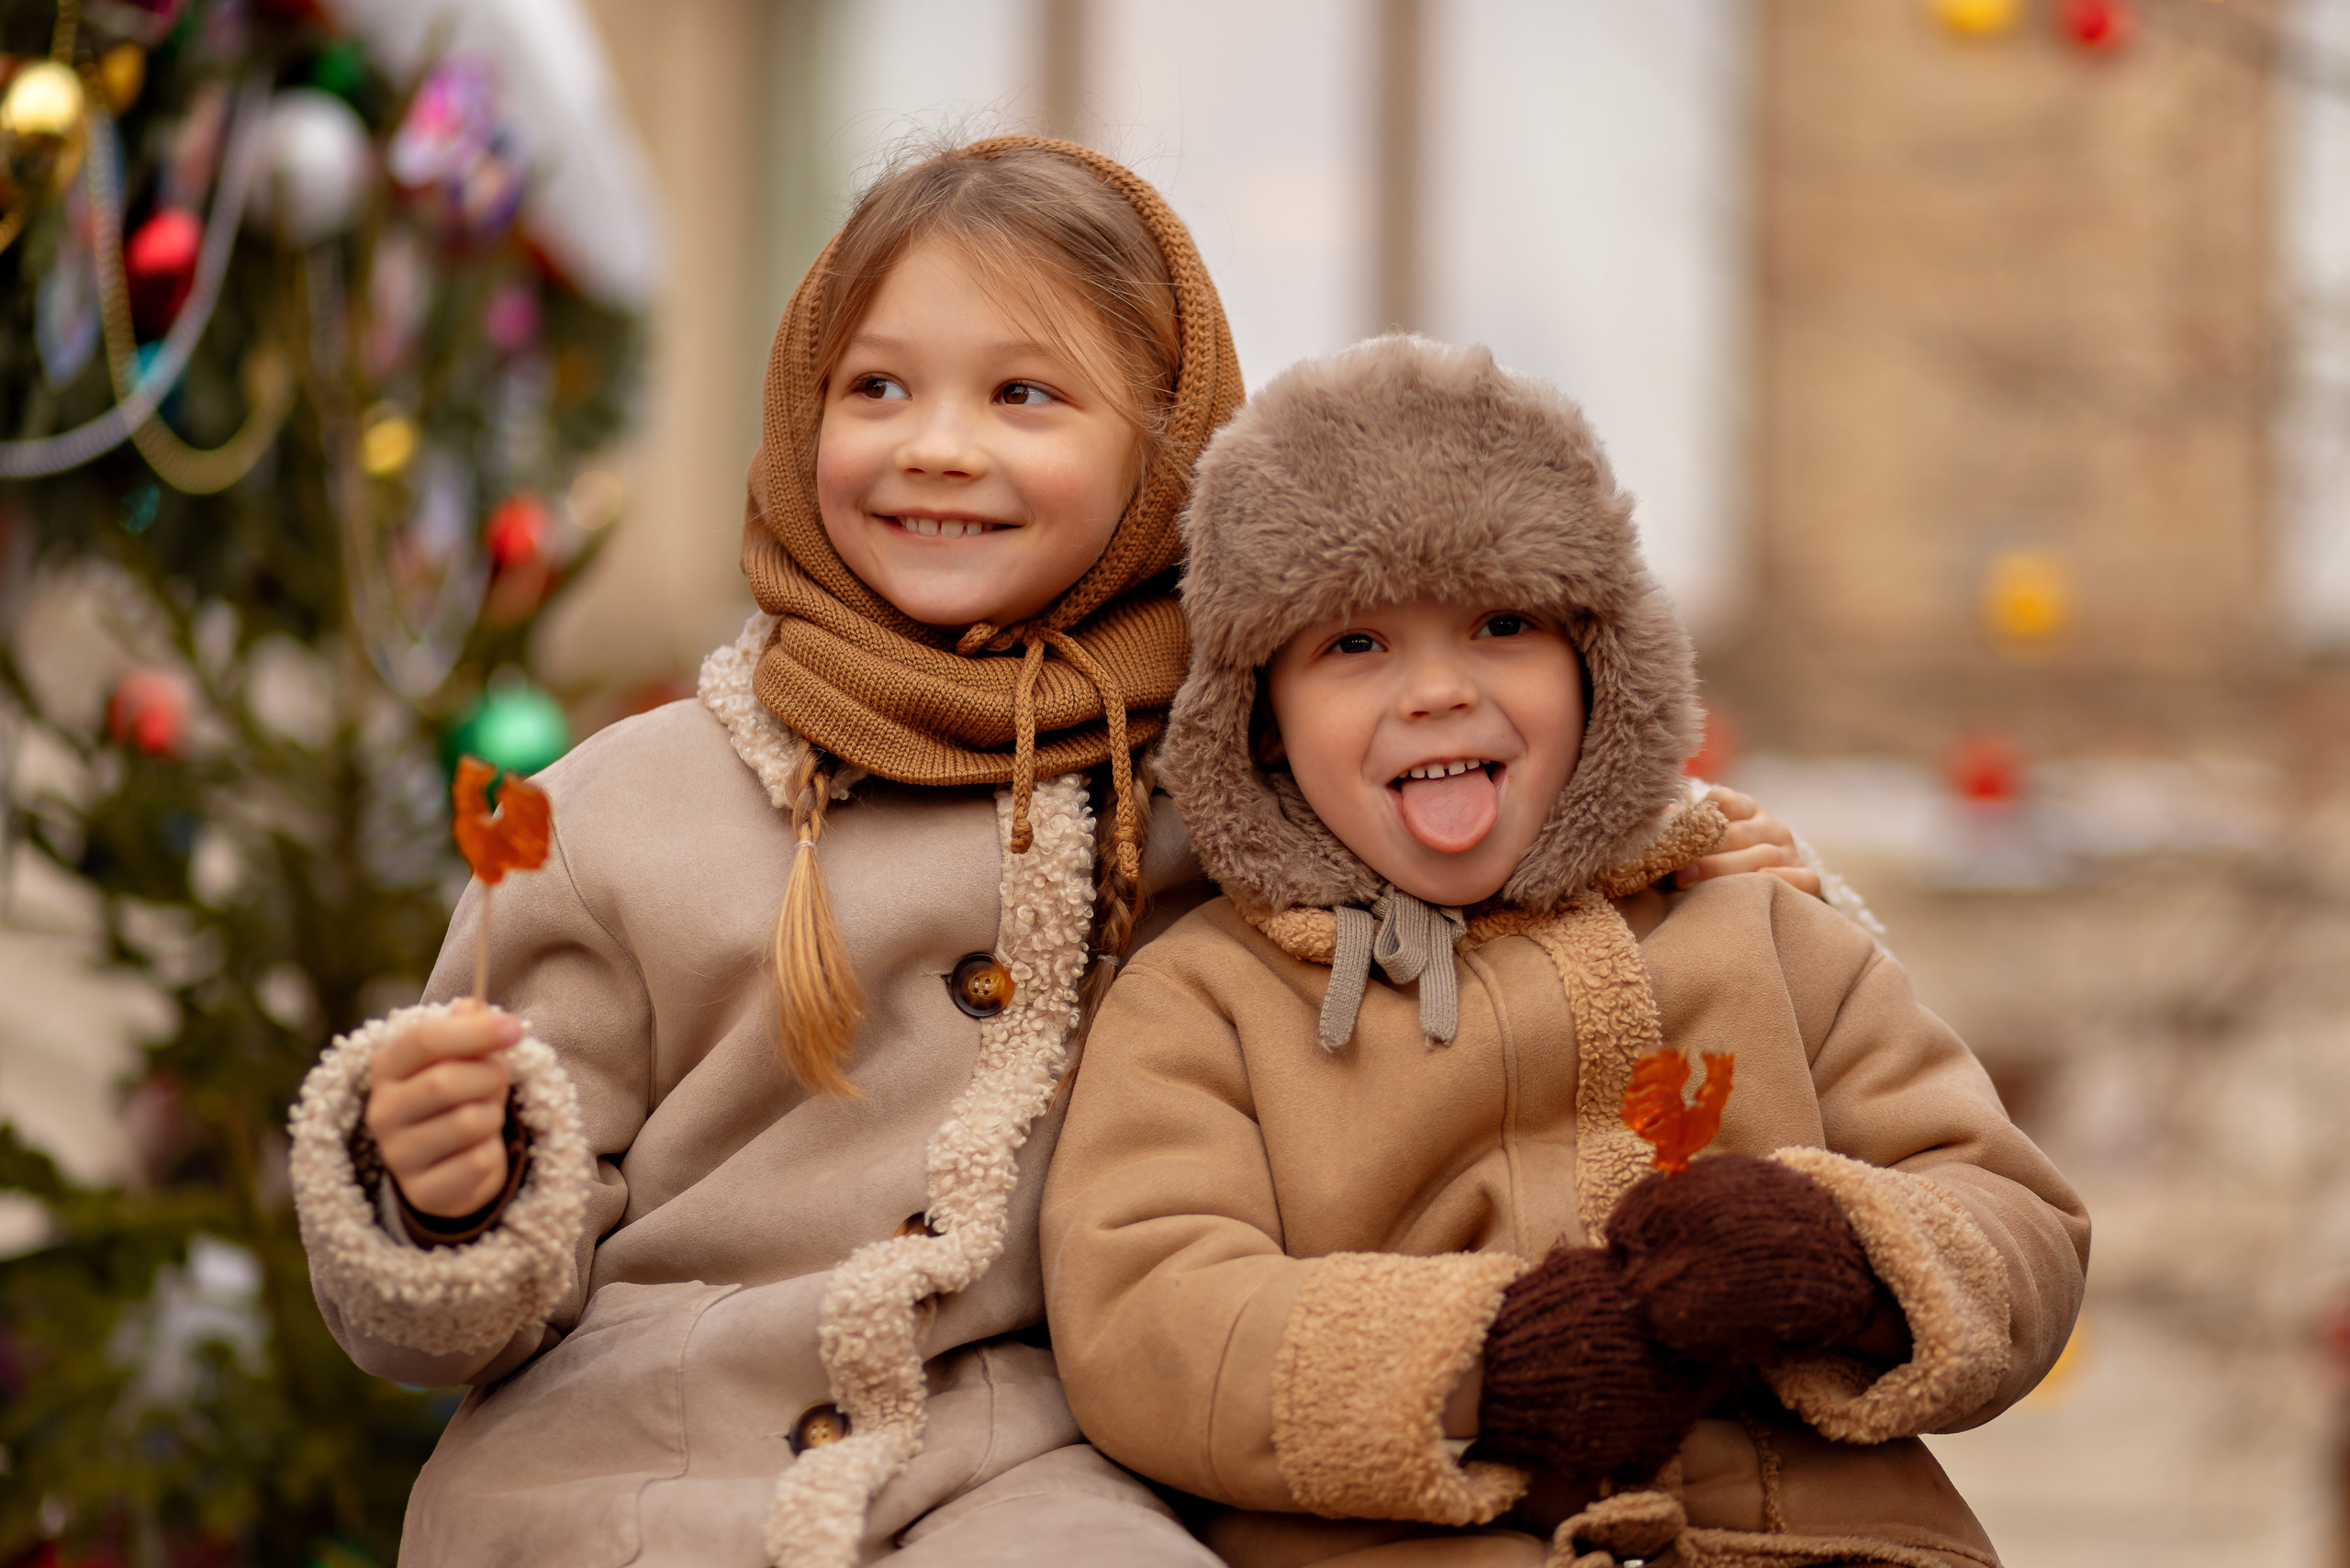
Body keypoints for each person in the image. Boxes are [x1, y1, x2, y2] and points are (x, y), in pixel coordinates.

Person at [288, 140, 1825, 1568]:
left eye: (1026, 397)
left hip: (1028, 1473)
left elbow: (1467, 861)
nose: (938, 449)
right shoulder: (629, 805)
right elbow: (451, 1320)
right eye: (877, 389)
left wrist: (1660, 852)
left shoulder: (1240, 781)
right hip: (628, 1458)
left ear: (1169, 449)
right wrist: (446, 1190)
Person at [1039, 336, 2088, 1568]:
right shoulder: (1209, 997)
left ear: (1599, 669)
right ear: (1260, 722)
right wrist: (1486, 1364)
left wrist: (1840, 1257)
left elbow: (2017, 1220)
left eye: (1501, 624)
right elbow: (1147, 1321)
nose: (1436, 690)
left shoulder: (1763, 929)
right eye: (1355, 644)